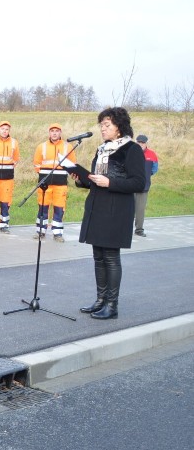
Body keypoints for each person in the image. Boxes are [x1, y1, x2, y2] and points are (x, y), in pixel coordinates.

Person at [77, 107, 146, 320]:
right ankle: (100, 300)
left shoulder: (131, 149)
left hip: (117, 209)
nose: (103, 129)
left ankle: (111, 305)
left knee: (110, 257)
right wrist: (82, 180)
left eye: (107, 125)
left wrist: (110, 182)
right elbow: (95, 180)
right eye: (101, 125)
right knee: (98, 256)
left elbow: (138, 182)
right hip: (98, 207)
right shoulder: (102, 150)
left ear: (119, 128)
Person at [33, 123, 75, 242]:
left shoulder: (68, 146)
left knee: (59, 208)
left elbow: (72, 165)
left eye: (57, 131)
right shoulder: (41, 147)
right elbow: (37, 164)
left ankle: (57, 233)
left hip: (61, 184)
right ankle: (40, 231)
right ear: (49, 133)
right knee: (42, 207)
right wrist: (44, 175)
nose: (54, 133)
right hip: (45, 184)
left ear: (60, 132)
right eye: (52, 131)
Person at [133, 134, 158, 237]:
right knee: (127, 208)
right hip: (130, 185)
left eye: (142, 142)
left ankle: (139, 230)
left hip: (144, 186)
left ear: (146, 143)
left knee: (140, 209)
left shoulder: (152, 154)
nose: (140, 144)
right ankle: (123, 229)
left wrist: (146, 176)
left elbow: (154, 169)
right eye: (139, 142)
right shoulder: (131, 153)